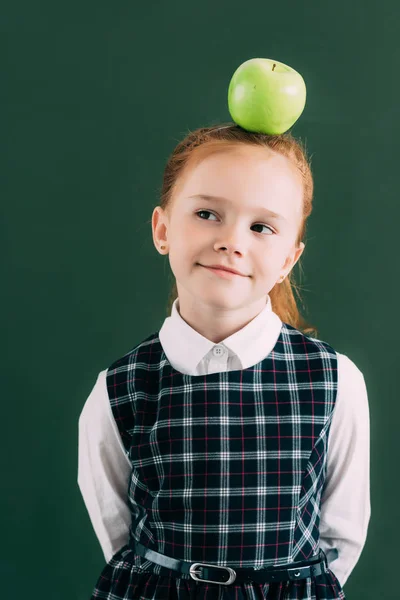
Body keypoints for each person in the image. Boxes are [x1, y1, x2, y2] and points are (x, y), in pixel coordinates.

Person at [78, 123, 370, 600]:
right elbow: (118, 536)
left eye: (262, 227)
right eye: (208, 213)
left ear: (288, 260)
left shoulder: (335, 381)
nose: (232, 241)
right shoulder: (119, 387)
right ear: (163, 229)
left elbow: (342, 538)